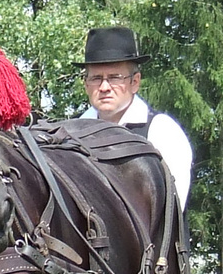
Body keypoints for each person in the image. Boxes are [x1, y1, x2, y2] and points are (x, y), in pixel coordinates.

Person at [75, 26, 192, 208]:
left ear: (135, 82)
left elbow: (171, 211)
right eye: (96, 78)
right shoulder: (70, 134)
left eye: (114, 78)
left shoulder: (162, 132)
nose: (104, 87)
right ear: (86, 84)